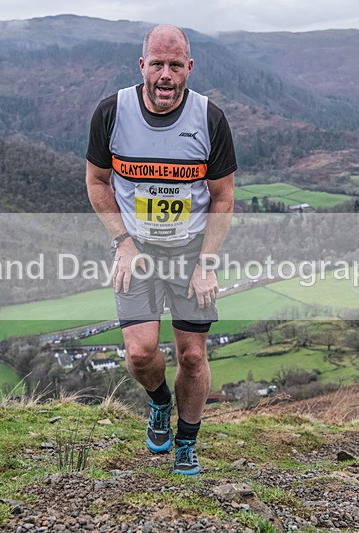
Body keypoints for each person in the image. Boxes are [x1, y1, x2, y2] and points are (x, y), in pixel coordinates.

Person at [85, 24, 236, 475]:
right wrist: (123, 243)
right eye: (157, 64)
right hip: (138, 250)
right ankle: (158, 402)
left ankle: (187, 441)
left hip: (191, 249)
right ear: (142, 66)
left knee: (192, 355)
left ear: (189, 68)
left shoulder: (210, 119)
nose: (166, 75)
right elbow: (96, 182)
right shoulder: (112, 112)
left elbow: (224, 198)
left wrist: (207, 263)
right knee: (139, 352)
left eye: (175, 66)